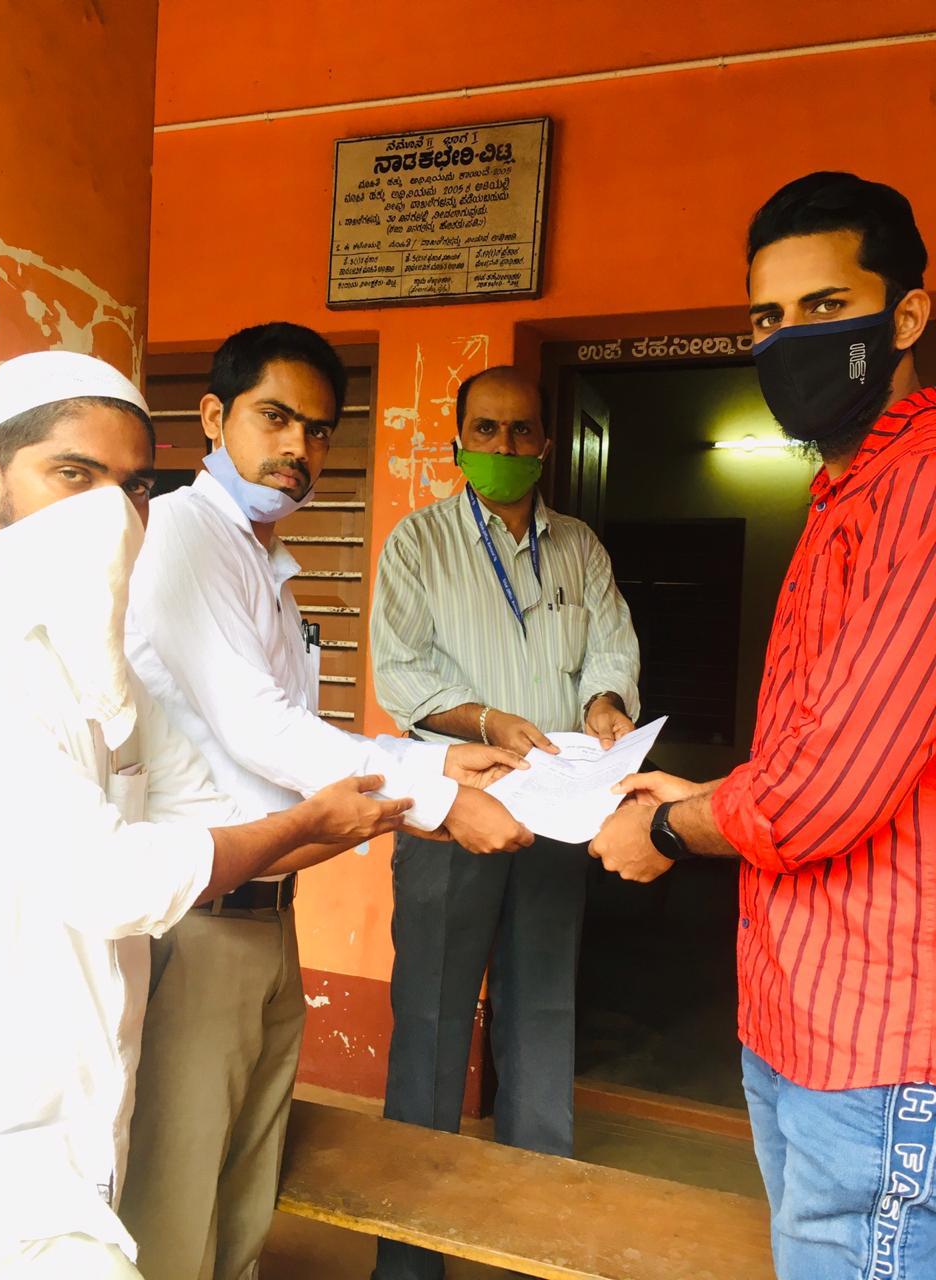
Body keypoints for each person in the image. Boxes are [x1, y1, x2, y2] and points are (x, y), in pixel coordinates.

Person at [0, 351, 412, 1278]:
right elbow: (115, 878)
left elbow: (202, 811)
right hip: (5, 1119)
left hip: (86, 1094)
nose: (109, 514)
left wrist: (384, 803)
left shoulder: (102, 668)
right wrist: (353, 811)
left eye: (133, 487)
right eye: (73, 475)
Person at [119, 323, 530, 1280]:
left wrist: (442, 758)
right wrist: (438, 800)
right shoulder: (185, 536)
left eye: (317, 429)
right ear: (213, 418)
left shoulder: (265, 566)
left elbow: (297, 738)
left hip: (268, 916)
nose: (297, 447)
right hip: (200, 925)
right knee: (178, 1213)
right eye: (274, 418)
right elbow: (262, 731)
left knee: (243, 1198)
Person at [590, 172, 936, 1280]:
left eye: (827, 308)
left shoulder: (923, 489)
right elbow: (819, 749)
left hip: (881, 1039)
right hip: (798, 1011)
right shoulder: (843, 498)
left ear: (907, 316)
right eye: (766, 318)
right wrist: (695, 794)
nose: (789, 340)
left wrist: (671, 826)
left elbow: (829, 789)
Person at [369, 365, 640, 1280]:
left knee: (543, 1011)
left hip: (558, 815)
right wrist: (485, 721)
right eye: (486, 430)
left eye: (522, 430)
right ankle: (409, 1256)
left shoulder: (580, 548)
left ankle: (536, 1239)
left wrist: (604, 702)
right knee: (431, 1016)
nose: (505, 446)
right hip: (454, 813)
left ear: (547, 445)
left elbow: (611, 645)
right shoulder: (418, 543)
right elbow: (402, 674)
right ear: (459, 443)